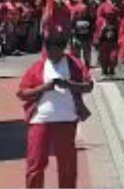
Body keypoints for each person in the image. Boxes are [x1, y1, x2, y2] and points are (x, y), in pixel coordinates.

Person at [18, 34, 93, 189]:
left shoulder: (75, 64)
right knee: (35, 164)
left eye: (56, 50)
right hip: (40, 120)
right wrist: (44, 88)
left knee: (67, 165)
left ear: (62, 49)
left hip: (66, 120)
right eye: (49, 50)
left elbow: (88, 86)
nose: (52, 54)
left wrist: (69, 84)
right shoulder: (38, 67)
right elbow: (22, 93)